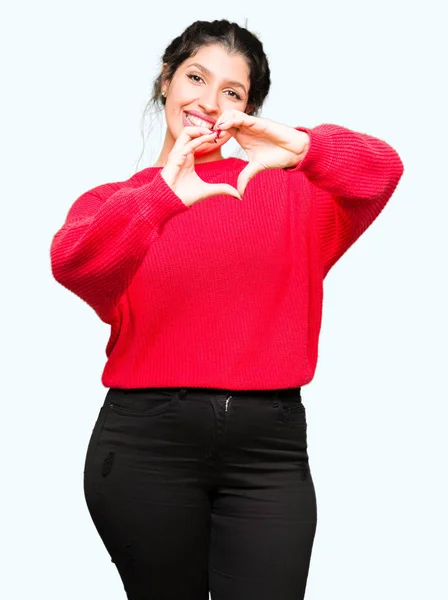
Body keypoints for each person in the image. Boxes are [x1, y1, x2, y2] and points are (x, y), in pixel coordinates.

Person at [49, 18, 404, 600]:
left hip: (268, 452)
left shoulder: (298, 194)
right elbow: (74, 264)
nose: (208, 103)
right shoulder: (115, 203)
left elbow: (382, 171)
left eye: (232, 92)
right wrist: (163, 195)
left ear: (249, 108)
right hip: (144, 448)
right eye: (195, 77)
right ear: (166, 81)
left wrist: (305, 146)